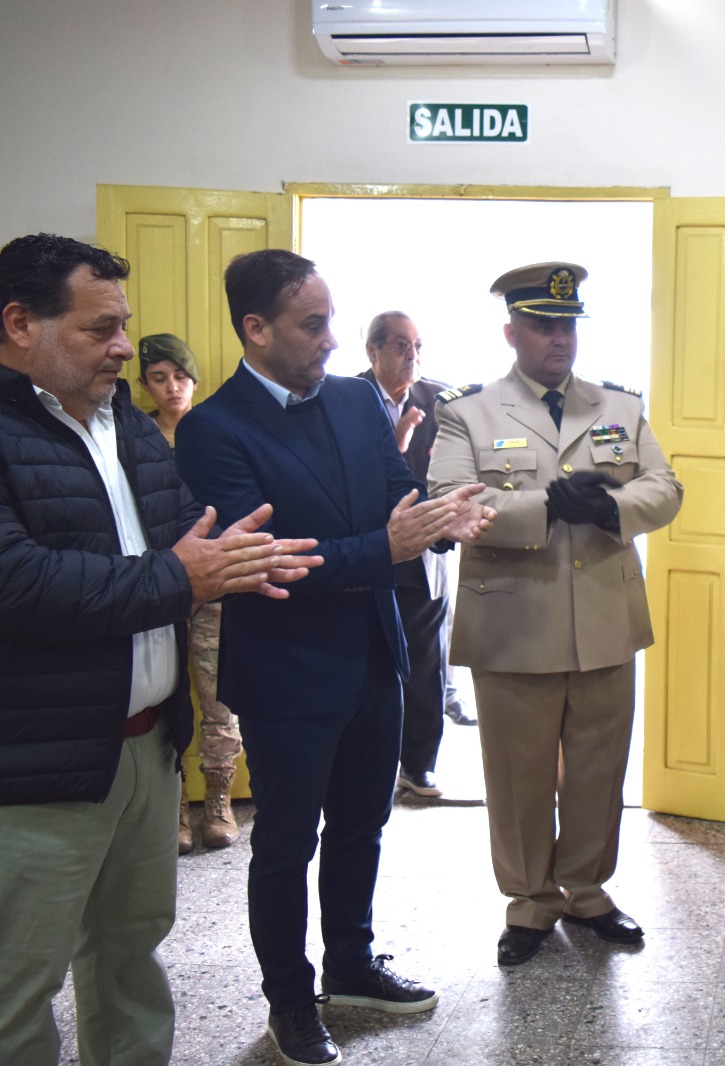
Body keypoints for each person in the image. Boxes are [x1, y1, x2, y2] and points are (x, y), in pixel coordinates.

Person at [0, 233, 318, 1066]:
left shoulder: (128, 427)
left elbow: (186, 532)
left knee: (129, 960)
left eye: (124, 326)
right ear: (19, 324)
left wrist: (245, 558)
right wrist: (183, 575)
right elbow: (18, 583)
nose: (122, 348)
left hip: (146, 751)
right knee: (16, 989)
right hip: (36, 764)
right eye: (98, 328)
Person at [175, 249, 494, 1066]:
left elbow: (396, 496)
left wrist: (438, 520)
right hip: (286, 671)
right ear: (256, 329)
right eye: (311, 325)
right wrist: (387, 545)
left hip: (374, 653)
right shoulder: (214, 429)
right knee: (287, 844)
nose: (329, 340)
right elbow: (267, 562)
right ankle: (290, 1001)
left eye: (331, 322)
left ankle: (351, 964)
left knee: (363, 824)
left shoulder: (355, 399)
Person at [428, 261, 683, 965]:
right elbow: (451, 502)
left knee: (599, 768)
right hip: (514, 623)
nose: (558, 338)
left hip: (603, 616)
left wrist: (611, 506)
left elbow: (665, 488)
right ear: (511, 332)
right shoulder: (467, 412)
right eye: (542, 325)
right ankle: (530, 901)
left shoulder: (620, 406)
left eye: (567, 324)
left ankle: (588, 892)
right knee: (519, 774)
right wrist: (545, 506)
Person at [138, 333, 245, 852]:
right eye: (159, 378)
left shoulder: (212, 433)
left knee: (220, 696)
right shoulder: (136, 437)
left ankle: (219, 802)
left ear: (195, 381)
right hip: (156, 586)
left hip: (213, 586)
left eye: (180, 377)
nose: (172, 387)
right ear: (144, 385)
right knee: (167, 698)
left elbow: (231, 506)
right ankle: (176, 805)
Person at [357, 311, 459, 799]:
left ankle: (419, 766)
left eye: (417, 345)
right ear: (372, 350)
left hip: (425, 552)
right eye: (400, 345)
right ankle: (365, 764)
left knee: (425, 661)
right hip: (367, 548)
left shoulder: (442, 401)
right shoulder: (345, 398)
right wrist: (393, 450)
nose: (412, 356)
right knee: (370, 662)